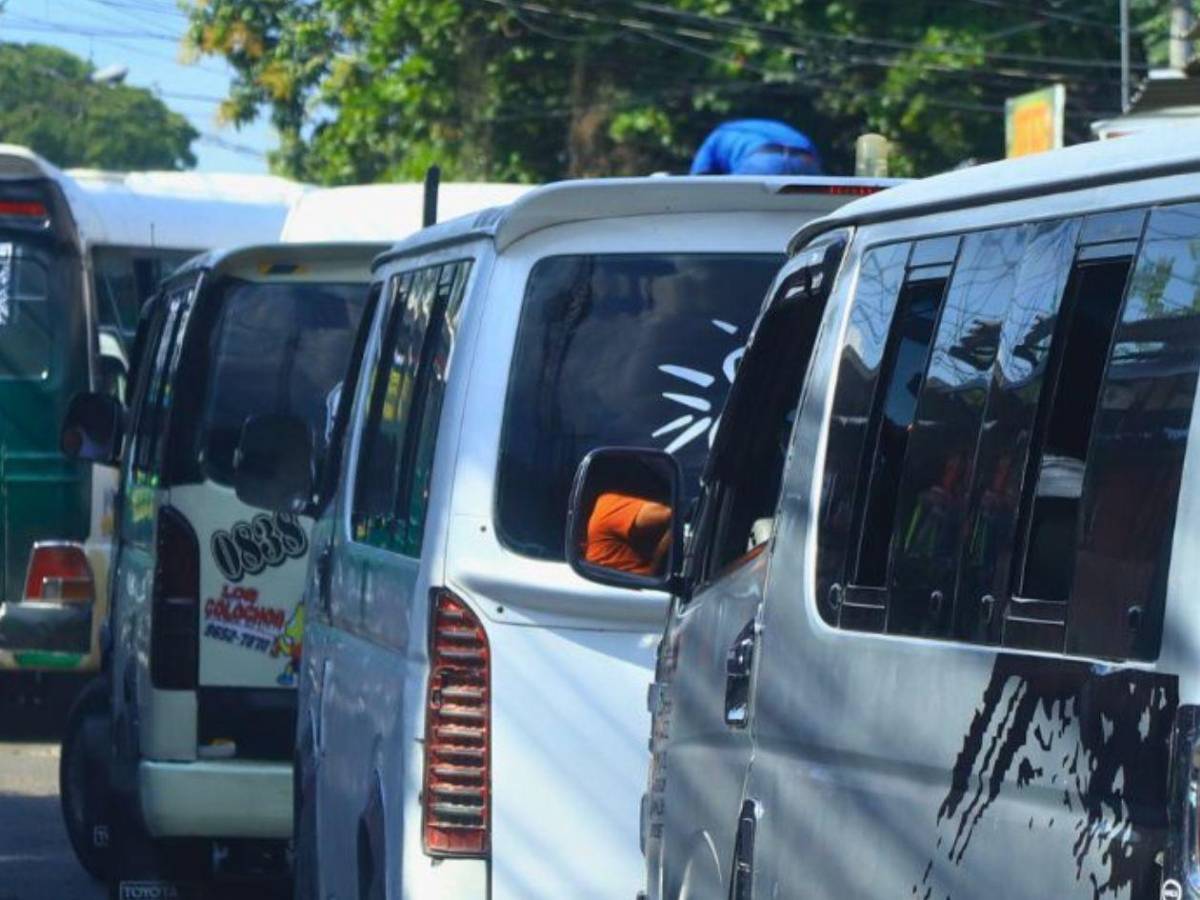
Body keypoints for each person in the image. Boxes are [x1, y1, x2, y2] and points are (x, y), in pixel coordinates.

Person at [689, 119, 822, 176]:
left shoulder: (716, 135)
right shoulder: (767, 127)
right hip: (805, 160)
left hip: (762, 161)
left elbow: (697, 181)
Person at [585, 490, 673, 577]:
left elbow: (672, 516)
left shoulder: (606, 508)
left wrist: (655, 566)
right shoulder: (605, 508)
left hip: (635, 582)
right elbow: (673, 516)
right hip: (633, 582)